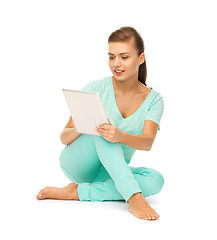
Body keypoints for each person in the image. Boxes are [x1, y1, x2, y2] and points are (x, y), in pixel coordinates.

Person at [36, 26, 164, 221]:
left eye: (124, 57)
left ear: (140, 58)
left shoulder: (154, 100)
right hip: (79, 163)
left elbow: (147, 142)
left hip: (110, 171)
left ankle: (77, 192)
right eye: (111, 57)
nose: (116, 64)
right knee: (104, 127)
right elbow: (64, 137)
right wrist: (84, 124)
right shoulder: (96, 88)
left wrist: (120, 136)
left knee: (155, 180)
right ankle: (133, 197)